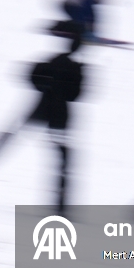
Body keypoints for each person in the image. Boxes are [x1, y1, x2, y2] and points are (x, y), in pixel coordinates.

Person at [28, 20, 85, 213]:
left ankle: (60, 204)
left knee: (61, 158)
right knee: (62, 160)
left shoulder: (51, 64)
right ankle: (60, 205)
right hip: (59, 118)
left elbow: (32, 77)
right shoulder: (75, 68)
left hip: (45, 111)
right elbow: (75, 95)